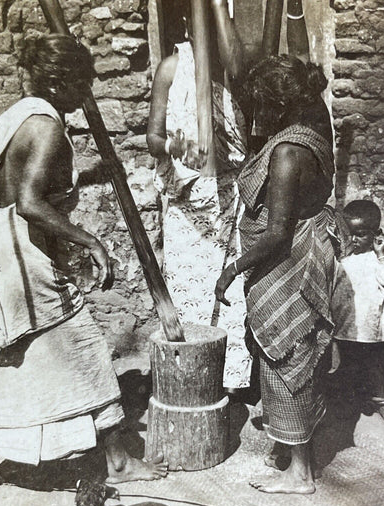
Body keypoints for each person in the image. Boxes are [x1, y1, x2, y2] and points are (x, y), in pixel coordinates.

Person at [0, 35, 167, 497]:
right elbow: (31, 201)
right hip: (26, 257)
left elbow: (16, 183)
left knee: (8, 356)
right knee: (85, 349)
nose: (89, 90)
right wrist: (90, 240)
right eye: (83, 81)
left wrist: (94, 173)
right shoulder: (47, 127)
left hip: (2, 252)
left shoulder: (15, 117)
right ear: (60, 81)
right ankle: (117, 462)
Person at [215, 54, 349, 494]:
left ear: (277, 103)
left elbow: (276, 234)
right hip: (298, 253)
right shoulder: (313, 128)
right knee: (293, 354)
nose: (256, 114)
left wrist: (232, 269)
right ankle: (292, 446)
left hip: (289, 262)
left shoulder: (289, 152)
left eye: (260, 104)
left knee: (287, 355)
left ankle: (302, 473)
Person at [146, 6, 251, 391]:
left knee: (233, 293)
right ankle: (191, 379)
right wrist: (176, 145)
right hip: (191, 209)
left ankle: (231, 381)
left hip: (232, 198)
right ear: (187, 25)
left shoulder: (235, 70)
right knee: (191, 293)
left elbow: (237, 64)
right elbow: (152, 137)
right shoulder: (172, 67)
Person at [331, 200, 384, 423]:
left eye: (360, 234)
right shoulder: (341, 259)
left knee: (374, 365)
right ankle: (346, 405)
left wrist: (381, 254)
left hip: (370, 325)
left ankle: (382, 403)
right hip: (346, 323)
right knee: (344, 366)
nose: (353, 239)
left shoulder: (376, 259)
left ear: (375, 234)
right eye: (349, 234)